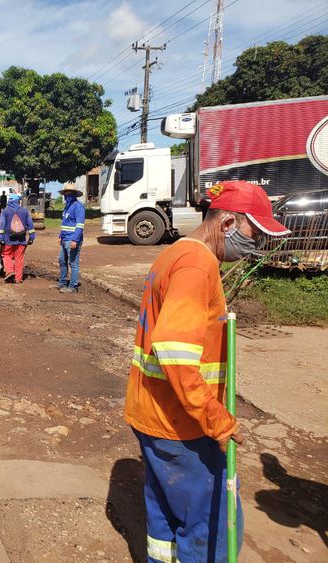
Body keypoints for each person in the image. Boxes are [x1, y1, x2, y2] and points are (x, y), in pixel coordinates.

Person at [124, 180, 290, 563]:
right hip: (183, 425)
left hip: (154, 414)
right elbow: (173, 351)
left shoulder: (176, 253)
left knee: (165, 517)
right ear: (228, 223)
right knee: (213, 526)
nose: (257, 245)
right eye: (255, 233)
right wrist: (217, 420)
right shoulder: (197, 265)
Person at [0, 192, 35, 283]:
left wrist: (1, 237)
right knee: (19, 258)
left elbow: (2, 225)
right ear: (18, 201)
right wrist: (32, 237)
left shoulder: (5, 211)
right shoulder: (24, 211)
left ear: (9, 201)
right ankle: (18, 278)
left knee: (6, 255)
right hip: (21, 240)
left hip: (8, 239)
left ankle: (10, 271)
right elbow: (30, 225)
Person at [56, 185, 85, 293]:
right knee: (62, 260)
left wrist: (75, 240)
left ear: (74, 194)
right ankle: (62, 282)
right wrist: (60, 236)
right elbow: (65, 223)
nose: (66, 195)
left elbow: (80, 225)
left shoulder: (78, 207)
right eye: (65, 193)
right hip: (64, 238)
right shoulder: (67, 206)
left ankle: (73, 286)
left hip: (72, 239)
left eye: (68, 193)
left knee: (73, 262)